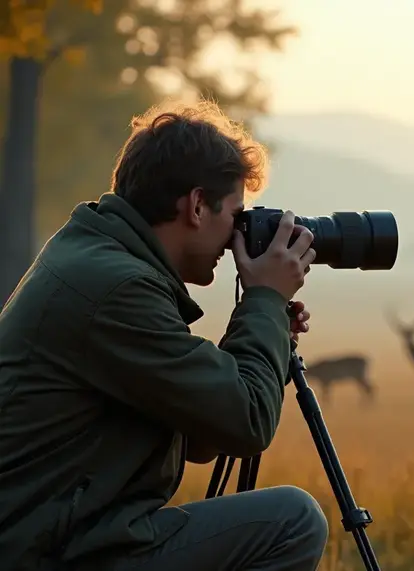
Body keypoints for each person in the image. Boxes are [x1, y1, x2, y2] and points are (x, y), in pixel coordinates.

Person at [0, 99, 330, 571]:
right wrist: (263, 304)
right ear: (197, 205)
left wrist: (267, 324)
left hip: (59, 538)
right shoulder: (117, 289)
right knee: (292, 521)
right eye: (236, 216)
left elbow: (204, 438)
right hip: (48, 552)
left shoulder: (98, 257)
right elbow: (246, 425)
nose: (238, 237)